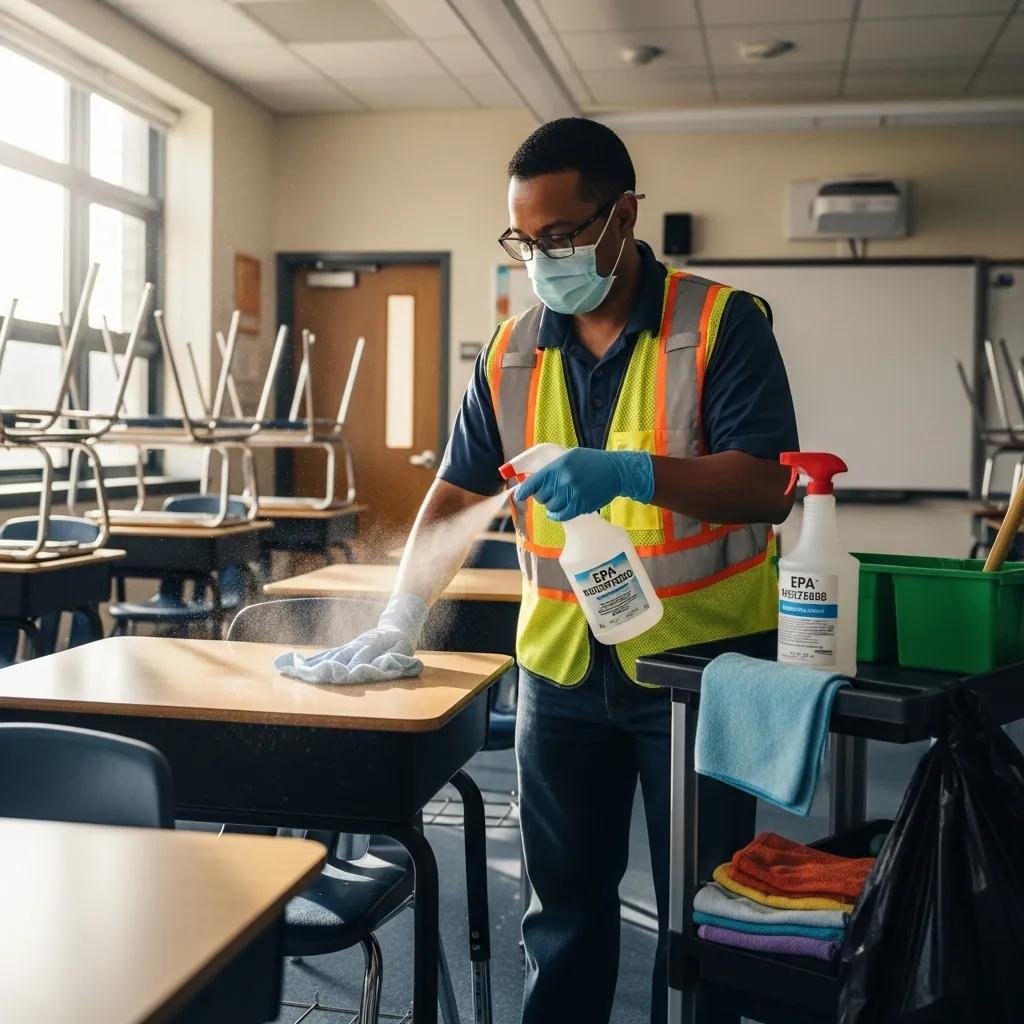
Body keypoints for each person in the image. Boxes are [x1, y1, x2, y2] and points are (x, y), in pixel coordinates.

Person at [280, 117, 799, 1023]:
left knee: (706, 921)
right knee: (560, 919)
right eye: (525, 240)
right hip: (561, 676)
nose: (542, 258)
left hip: (703, 674)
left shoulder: (722, 325)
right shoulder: (511, 351)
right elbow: (455, 495)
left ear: (623, 215)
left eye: (561, 235)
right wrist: (404, 612)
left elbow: (767, 485)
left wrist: (633, 471)